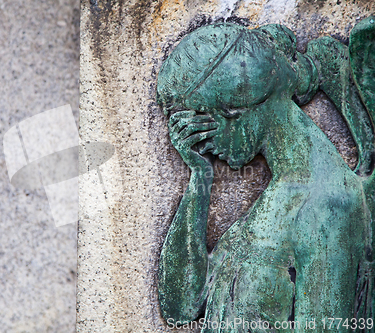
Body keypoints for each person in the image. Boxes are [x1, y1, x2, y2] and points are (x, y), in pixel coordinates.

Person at [156, 18, 375, 332]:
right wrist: (199, 178)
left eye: (201, 128)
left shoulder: (327, 205)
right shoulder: (280, 192)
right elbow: (180, 308)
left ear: (235, 109)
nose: (203, 145)